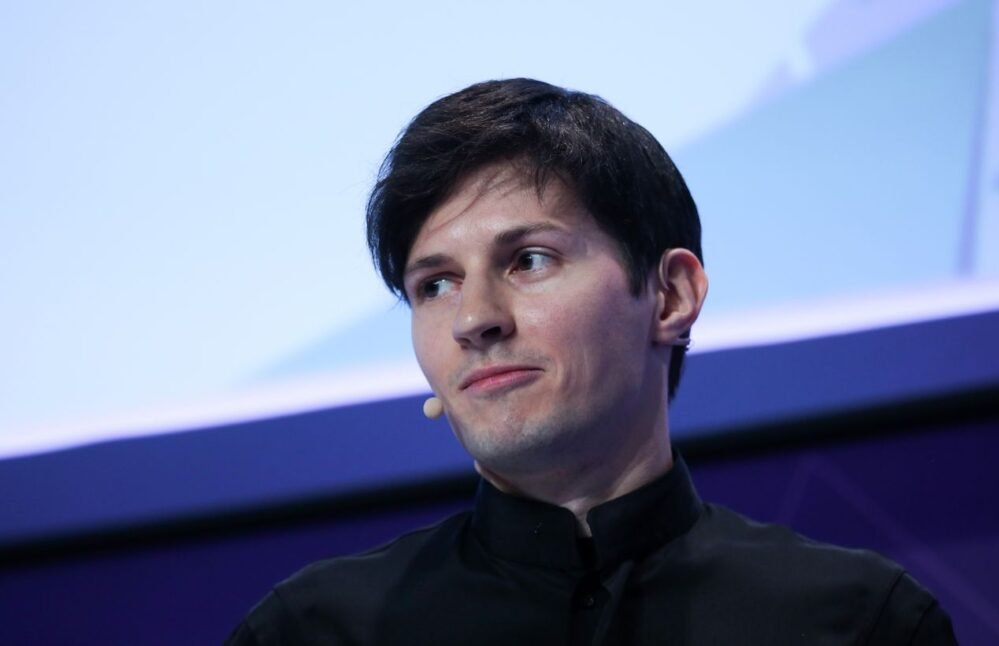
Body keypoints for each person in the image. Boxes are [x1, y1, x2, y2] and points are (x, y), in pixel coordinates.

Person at [227, 78, 957, 645]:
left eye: (529, 260)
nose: (474, 320)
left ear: (671, 295)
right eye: (435, 285)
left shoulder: (858, 622)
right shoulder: (311, 632)